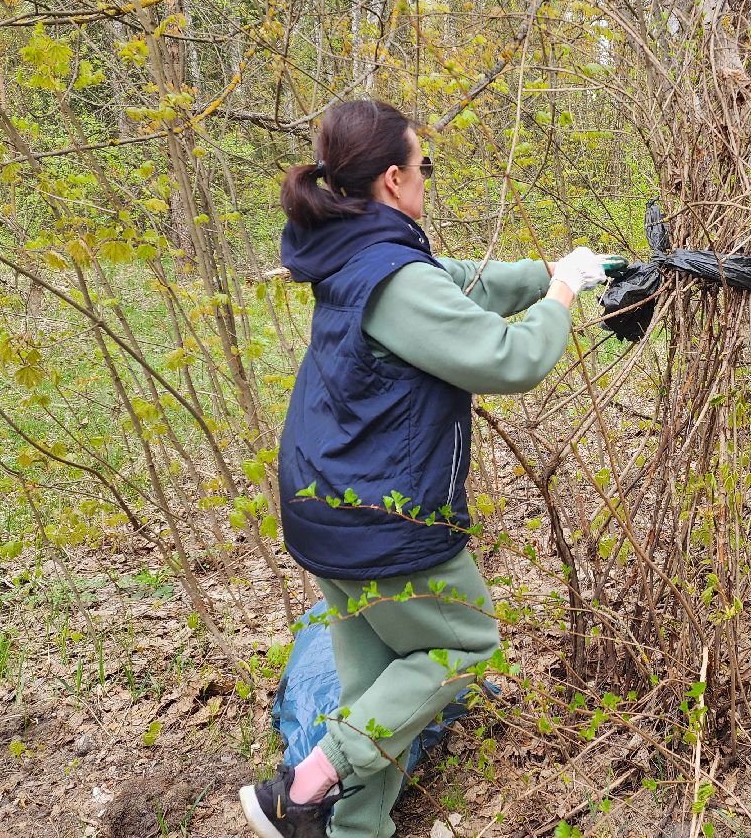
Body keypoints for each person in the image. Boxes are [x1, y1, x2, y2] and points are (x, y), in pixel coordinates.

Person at [240, 99, 612, 838]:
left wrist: (543, 272)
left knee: (378, 685)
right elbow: (510, 358)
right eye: (424, 166)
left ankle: (350, 832)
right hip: (381, 522)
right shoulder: (393, 275)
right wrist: (565, 295)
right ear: (391, 178)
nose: (426, 180)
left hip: (323, 505)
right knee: (465, 646)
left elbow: (457, 283)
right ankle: (307, 783)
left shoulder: (350, 248)